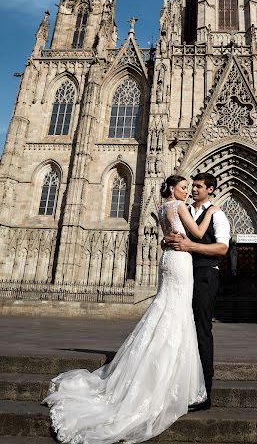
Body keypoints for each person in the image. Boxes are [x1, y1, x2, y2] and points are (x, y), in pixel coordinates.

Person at [43, 175, 220, 444]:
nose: (188, 191)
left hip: (169, 260)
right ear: (173, 188)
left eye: (192, 187)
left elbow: (166, 237)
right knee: (177, 315)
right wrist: (211, 211)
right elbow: (196, 233)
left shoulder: (164, 208)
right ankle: (172, 378)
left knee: (166, 311)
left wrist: (167, 240)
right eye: (184, 187)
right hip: (181, 262)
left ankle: (156, 367)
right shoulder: (181, 207)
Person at [165, 172, 230, 411]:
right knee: (181, 329)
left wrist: (191, 246)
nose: (193, 190)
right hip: (182, 274)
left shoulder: (218, 214)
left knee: (202, 330)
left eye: (199, 187)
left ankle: (204, 393)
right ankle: (179, 385)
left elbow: (222, 248)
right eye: (192, 186)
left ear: (210, 190)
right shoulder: (182, 209)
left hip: (205, 275)